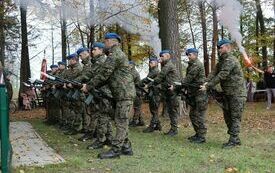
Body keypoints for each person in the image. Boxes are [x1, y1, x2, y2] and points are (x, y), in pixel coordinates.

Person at [82, 33, 136, 159]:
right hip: (121, 93)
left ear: (111, 42)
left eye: (105, 42)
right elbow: (105, 76)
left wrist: (88, 86)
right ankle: (127, 147)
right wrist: (91, 85)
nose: (104, 44)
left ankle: (116, 150)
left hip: (124, 93)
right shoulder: (114, 55)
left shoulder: (115, 55)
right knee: (120, 120)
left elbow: (104, 74)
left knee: (121, 121)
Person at [200, 39, 246, 148]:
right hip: (227, 93)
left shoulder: (230, 60)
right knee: (227, 116)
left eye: (221, 47)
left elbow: (222, 75)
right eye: (218, 48)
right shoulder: (221, 61)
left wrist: (208, 85)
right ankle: (235, 138)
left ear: (227, 47)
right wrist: (205, 82)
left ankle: (234, 140)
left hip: (237, 94)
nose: (219, 49)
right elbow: (214, 73)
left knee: (234, 117)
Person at [150, 50, 181, 136]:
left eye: (162, 56)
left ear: (168, 56)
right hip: (169, 91)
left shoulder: (168, 65)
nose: (160, 58)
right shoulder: (165, 65)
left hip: (173, 91)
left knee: (173, 111)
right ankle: (173, 129)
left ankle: (174, 130)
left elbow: (160, 77)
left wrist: (151, 84)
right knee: (171, 111)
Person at [181, 48, 208, 143]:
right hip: (194, 94)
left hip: (200, 94)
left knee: (199, 115)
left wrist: (180, 83)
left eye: (190, 55)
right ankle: (198, 133)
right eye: (188, 55)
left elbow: (188, 79)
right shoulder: (191, 65)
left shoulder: (196, 65)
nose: (188, 56)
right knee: (193, 115)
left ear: (195, 55)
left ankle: (202, 137)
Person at [142, 56, 162, 133]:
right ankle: (158, 126)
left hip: (156, 92)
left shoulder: (155, 71)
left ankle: (152, 127)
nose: (150, 64)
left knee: (154, 110)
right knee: (154, 109)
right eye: (150, 62)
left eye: (152, 62)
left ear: (156, 63)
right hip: (153, 92)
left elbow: (147, 79)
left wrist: (140, 83)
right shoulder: (153, 70)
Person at [129, 60, 145, 127]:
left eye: (128, 65)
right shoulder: (132, 72)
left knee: (136, 107)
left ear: (132, 65)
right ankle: (141, 121)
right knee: (138, 107)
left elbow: (129, 81)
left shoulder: (133, 73)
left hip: (137, 92)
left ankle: (134, 121)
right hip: (136, 91)